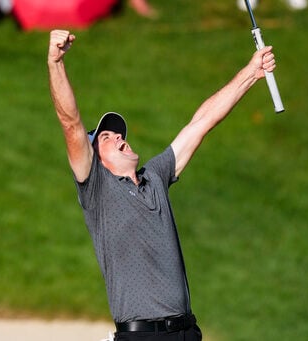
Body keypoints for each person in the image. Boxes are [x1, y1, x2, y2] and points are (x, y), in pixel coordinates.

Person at [47, 29, 276, 341]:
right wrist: (56, 63)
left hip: (187, 332)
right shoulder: (97, 190)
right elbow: (71, 124)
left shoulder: (154, 176)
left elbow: (201, 123)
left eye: (118, 133)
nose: (118, 137)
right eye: (106, 137)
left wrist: (251, 73)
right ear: (95, 159)